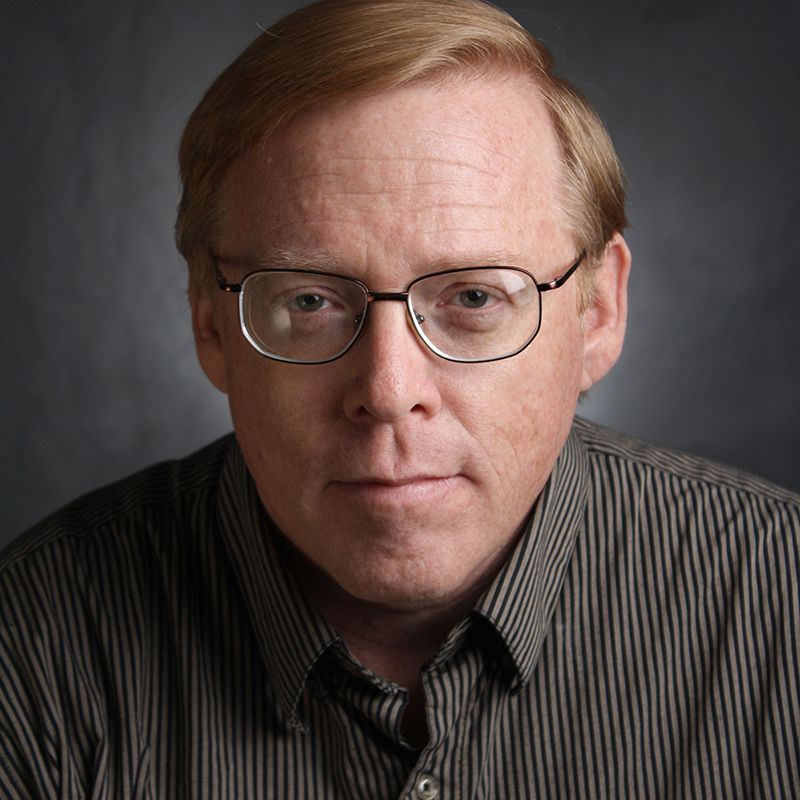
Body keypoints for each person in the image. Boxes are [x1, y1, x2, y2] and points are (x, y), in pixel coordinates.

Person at [1, 0, 798, 796]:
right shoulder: (30, 644)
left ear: (598, 312)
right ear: (211, 324)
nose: (387, 393)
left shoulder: (780, 597)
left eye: (475, 298)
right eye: (310, 302)